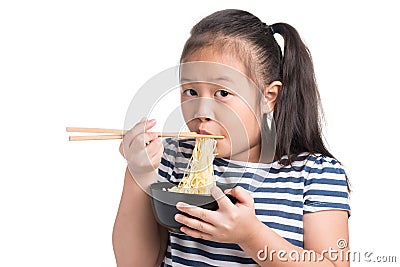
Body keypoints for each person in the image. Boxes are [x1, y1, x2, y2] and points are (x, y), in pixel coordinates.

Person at [112, 9, 350, 267]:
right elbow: (135, 263)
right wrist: (138, 173)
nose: (201, 111)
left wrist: (251, 235)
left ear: (268, 97)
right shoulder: (170, 158)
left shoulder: (315, 173)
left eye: (222, 93)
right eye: (190, 91)